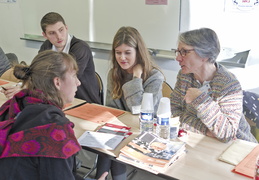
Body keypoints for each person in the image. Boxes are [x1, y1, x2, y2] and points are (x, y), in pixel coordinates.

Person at [0, 50, 108, 180]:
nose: (78, 82)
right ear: (57, 82)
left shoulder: (16, 104)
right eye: (74, 76)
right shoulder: (55, 130)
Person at [95, 26, 164, 180]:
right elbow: (110, 109)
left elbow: (140, 111)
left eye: (127, 52)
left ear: (138, 52)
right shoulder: (114, 73)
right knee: (106, 143)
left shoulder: (154, 76)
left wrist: (136, 78)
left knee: (112, 145)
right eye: (118, 52)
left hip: (145, 131)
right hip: (122, 129)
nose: (122, 58)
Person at [170, 27, 257, 143]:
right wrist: (206, 130)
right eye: (178, 52)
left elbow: (227, 134)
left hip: (238, 147)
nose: (178, 58)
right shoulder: (184, 76)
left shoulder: (228, 84)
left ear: (204, 55)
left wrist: (200, 100)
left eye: (184, 52)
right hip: (202, 141)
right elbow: (174, 114)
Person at [39, 12, 101, 104]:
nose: (59, 36)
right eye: (52, 33)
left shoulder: (80, 48)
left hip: (84, 102)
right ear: (45, 35)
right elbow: (38, 72)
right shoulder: (46, 47)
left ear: (66, 28)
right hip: (57, 99)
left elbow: (67, 80)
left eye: (61, 30)